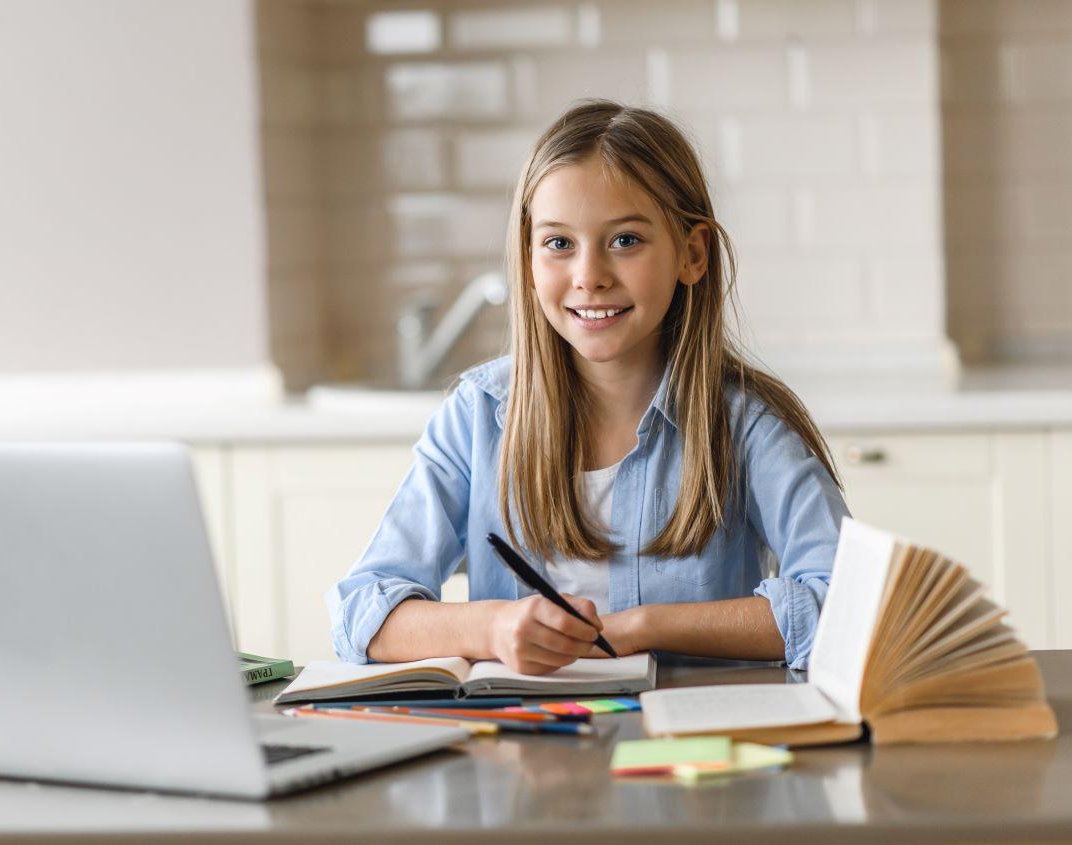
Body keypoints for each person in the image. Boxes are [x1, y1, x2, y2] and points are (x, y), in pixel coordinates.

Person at [327, 99, 849, 674]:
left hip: (683, 747)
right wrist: (494, 628)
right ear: (528, 261)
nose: (589, 275)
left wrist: (642, 628)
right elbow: (362, 612)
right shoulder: (477, 416)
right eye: (558, 243)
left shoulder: (745, 425)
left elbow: (848, 606)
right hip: (524, 747)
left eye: (625, 240)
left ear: (692, 254)